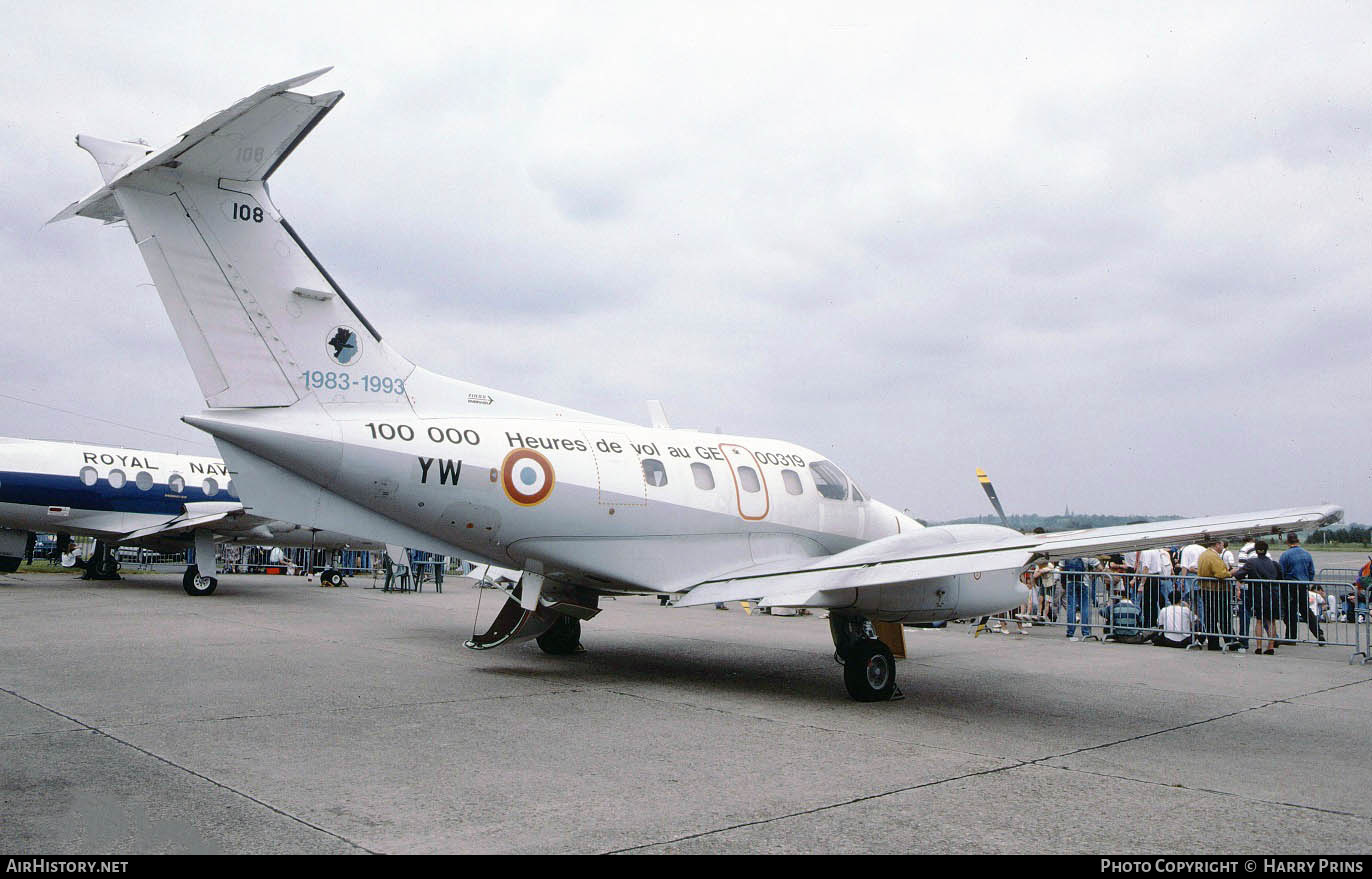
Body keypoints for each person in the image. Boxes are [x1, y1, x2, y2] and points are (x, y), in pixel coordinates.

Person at [1233, 539, 1282, 654]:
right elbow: (1280, 576)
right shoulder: (1274, 563)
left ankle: (1259, 646)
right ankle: (1271, 646)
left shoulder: (1251, 562)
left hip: (1258, 595)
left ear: (1256, 550)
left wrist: (1241, 577)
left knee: (1259, 621)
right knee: (1271, 622)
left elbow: (1239, 574)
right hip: (1273, 594)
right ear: (1266, 550)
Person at [1195, 537, 1238, 651]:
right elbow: (1220, 574)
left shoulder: (1204, 555)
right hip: (1217, 591)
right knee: (1224, 617)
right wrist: (1231, 572)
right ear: (1217, 544)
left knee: (1210, 618)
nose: (1223, 547)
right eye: (1222, 545)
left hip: (1205, 589)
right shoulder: (1213, 557)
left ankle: (1213, 643)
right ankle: (1230, 641)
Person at [1279, 533, 1323, 643]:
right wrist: (1308, 581)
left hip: (1290, 584)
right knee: (1305, 610)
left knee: (1290, 611)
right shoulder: (1306, 554)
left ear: (1288, 542)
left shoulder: (1285, 555)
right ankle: (1318, 633)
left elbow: (1281, 572)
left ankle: (1291, 636)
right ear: (1298, 541)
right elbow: (1311, 571)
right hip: (1303, 584)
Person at [1061, 556, 1091, 641]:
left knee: (1071, 607)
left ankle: (1070, 631)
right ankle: (1085, 631)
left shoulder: (1067, 553)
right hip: (1084, 582)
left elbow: (1061, 569)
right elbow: (1099, 567)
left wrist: (1063, 584)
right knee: (1084, 607)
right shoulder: (1086, 555)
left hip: (1070, 582)